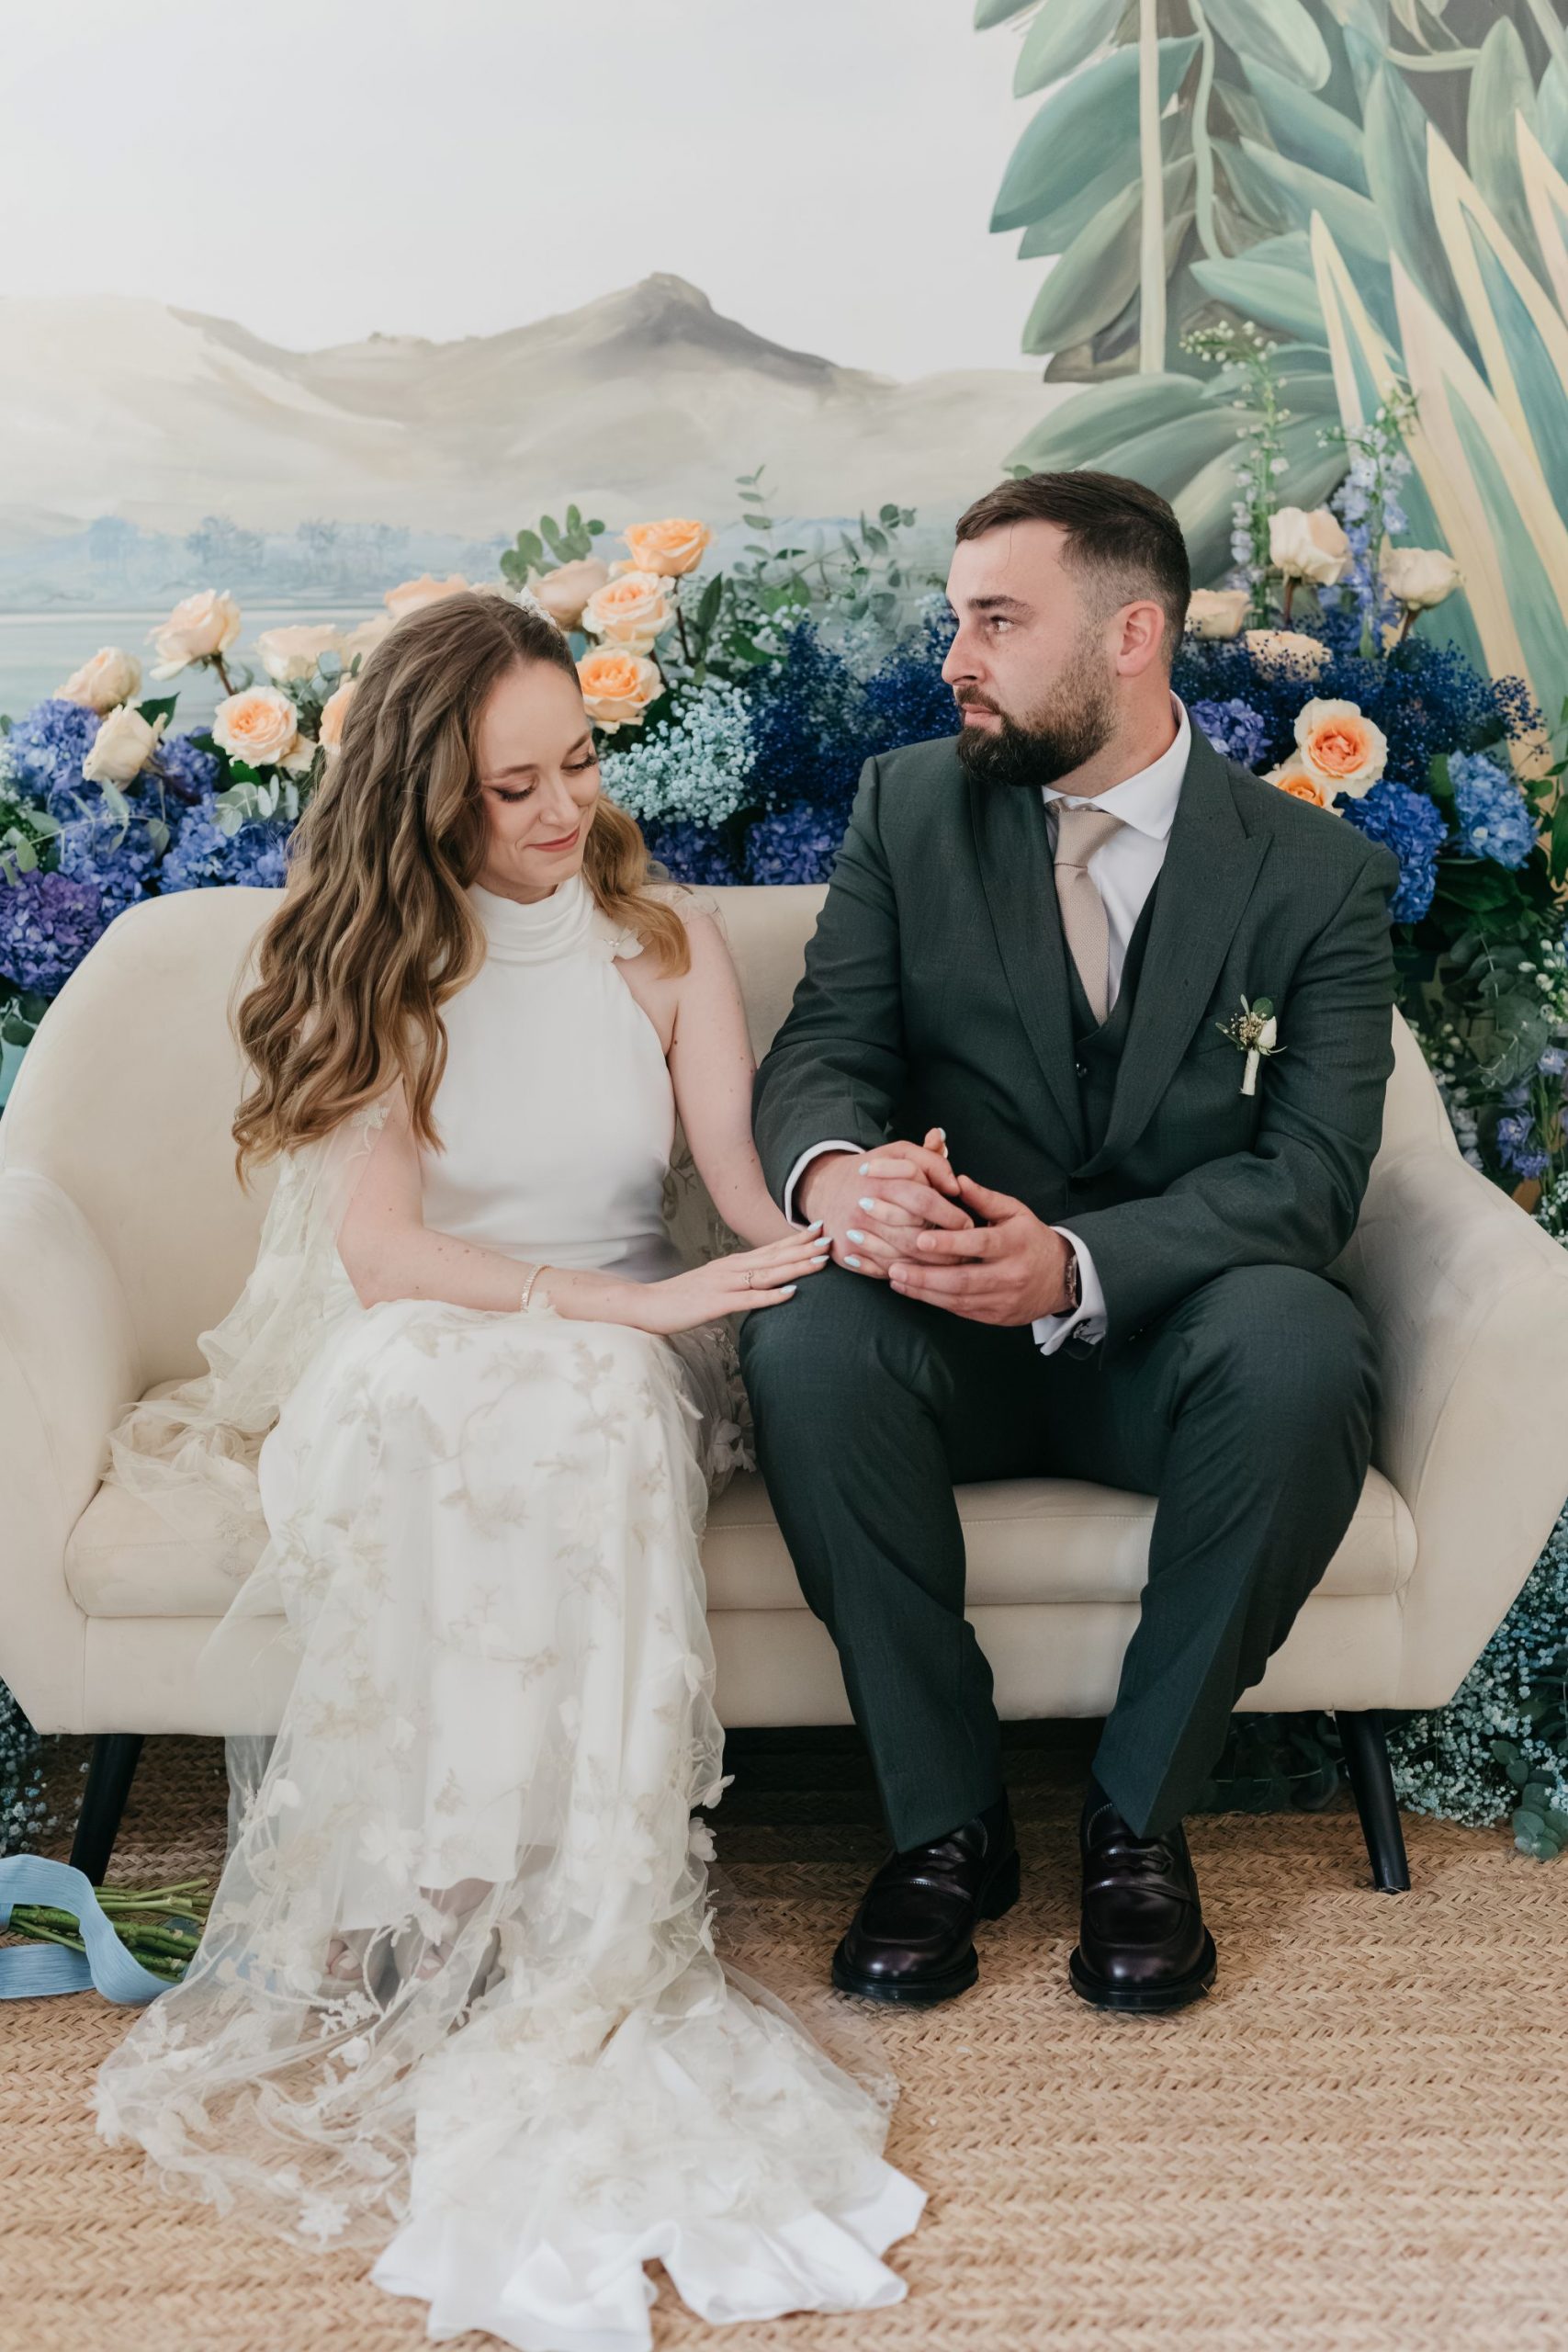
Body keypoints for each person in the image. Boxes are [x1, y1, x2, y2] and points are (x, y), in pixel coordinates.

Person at [91, 588, 924, 2350]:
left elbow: (741, 1186)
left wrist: (849, 1215)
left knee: (601, 1404)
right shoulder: (386, 962)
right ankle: (440, 1890)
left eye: (580, 762)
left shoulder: (668, 943)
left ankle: (576, 1916)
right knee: (426, 1386)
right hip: (442, 1325)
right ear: (427, 801)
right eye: (510, 787)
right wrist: (609, 1303)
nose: (563, 811)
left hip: (630, 1344)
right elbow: (387, 1254)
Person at [742, 469, 1401, 2016]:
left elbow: (1312, 1177)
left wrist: (1079, 1268)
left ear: (1130, 635)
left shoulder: (1319, 877)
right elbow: (825, 1049)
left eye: (996, 622)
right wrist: (839, 1177)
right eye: (956, 620)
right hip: (942, 1337)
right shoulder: (908, 807)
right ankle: (945, 1827)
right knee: (807, 1340)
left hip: (1172, 1349)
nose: (954, 661)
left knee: (1304, 1344)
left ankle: (1136, 1822)